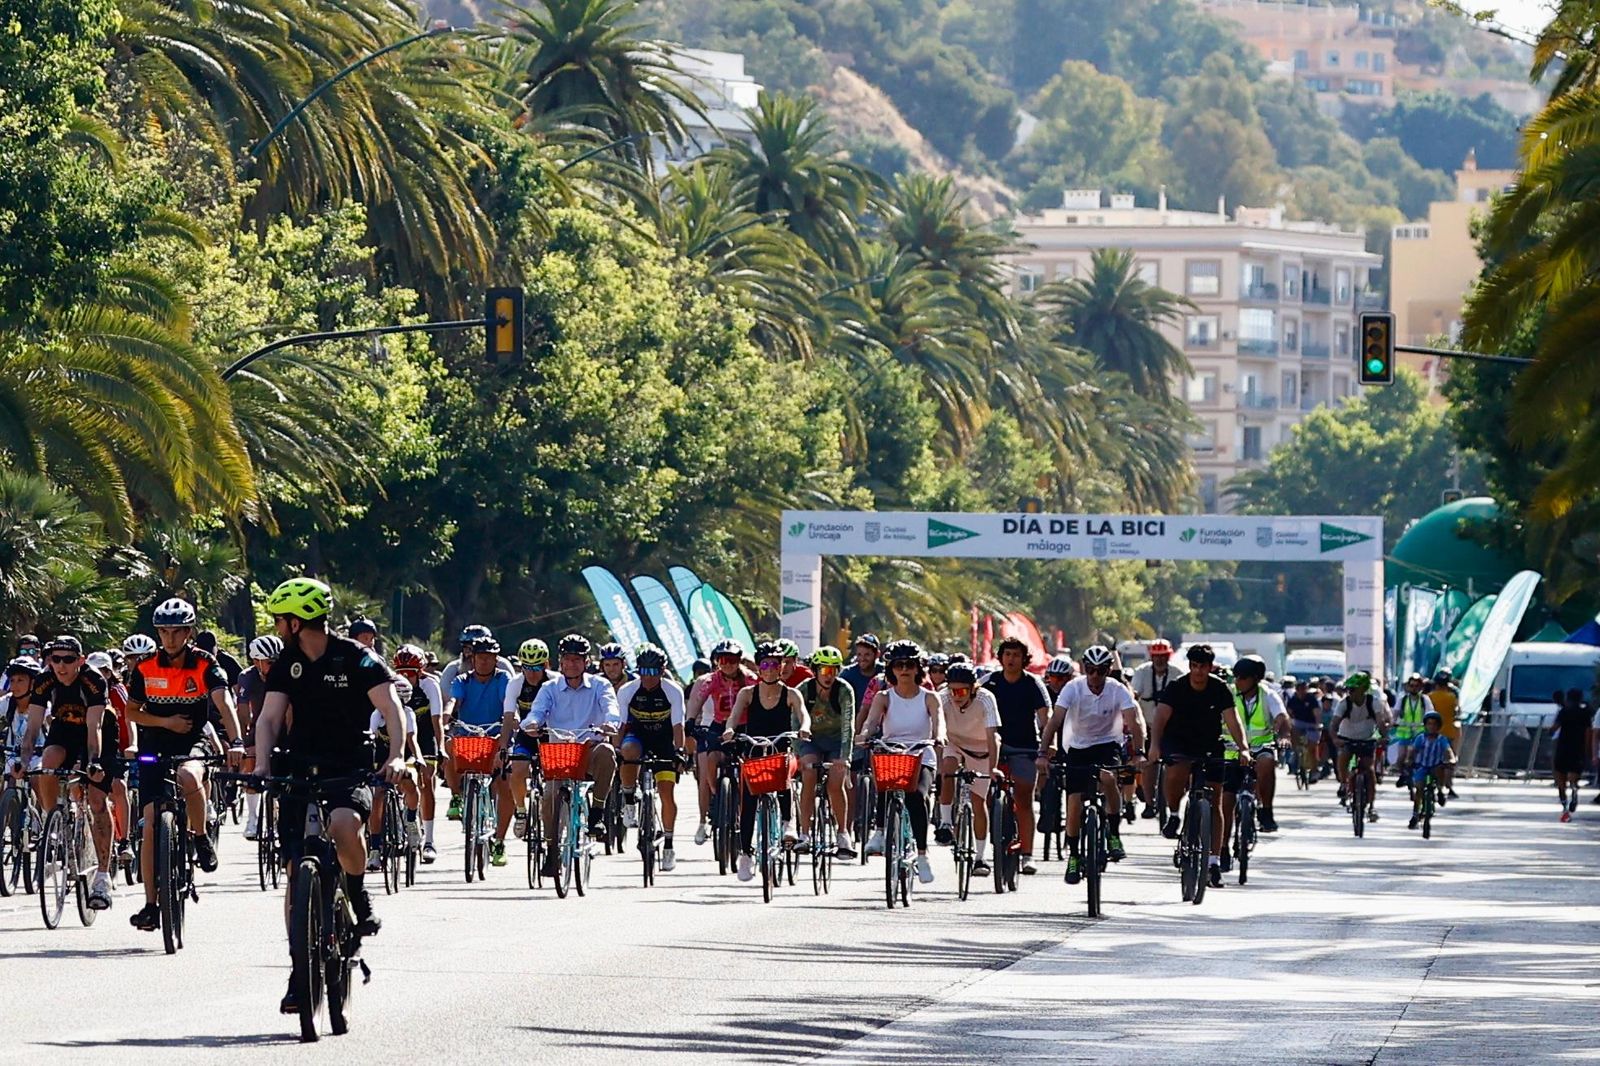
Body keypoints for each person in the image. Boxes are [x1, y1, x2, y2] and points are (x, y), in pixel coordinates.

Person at [252, 576, 408, 1016]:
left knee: (343, 827)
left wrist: (395, 757)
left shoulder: (356, 658)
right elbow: (268, 718)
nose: (277, 627)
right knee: (293, 868)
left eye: (281, 619)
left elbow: (391, 710)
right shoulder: (285, 661)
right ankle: (299, 971)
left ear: (298, 621)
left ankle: (356, 891)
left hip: (349, 765)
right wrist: (263, 764)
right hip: (300, 766)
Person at [119, 599, 247, 928]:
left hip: (194, 739)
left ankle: (201, 837)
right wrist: (165, 723)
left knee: (189, 775)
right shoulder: (145, 667)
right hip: (156, 743)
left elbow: (224, 701)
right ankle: (150, 904)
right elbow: (131, 712)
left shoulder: (205, 663)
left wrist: (236, 741)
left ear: (189, 632)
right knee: (149, 824)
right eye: (164, 632)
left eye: (177, 631)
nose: (170, 638)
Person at [17, 636, 118, 910]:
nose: (61, 665)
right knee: (46, 763)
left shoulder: (93, 680)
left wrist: (94, 762)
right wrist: (24, 760)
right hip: (65, 730)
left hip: (98, 735)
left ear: (80, 661)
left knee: (97, 800)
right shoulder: (44, 679)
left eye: (68, 660)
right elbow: (33, 727)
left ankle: (103, 875)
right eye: (55, 659)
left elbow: (95, 727)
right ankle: (55, 823)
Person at [1147, 643, 1251, 890]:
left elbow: (1232, 720)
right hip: (1179, 741)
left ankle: (1214, 862)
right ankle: (1173, 814)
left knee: (1215, 801)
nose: (1198, 672)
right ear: (1189, 666)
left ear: (1209, 667)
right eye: (1194, 666)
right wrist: (1154, 746)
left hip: (1209, 743)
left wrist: (1244, 748)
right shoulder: (1177, 687)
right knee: (1176, 771)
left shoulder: (1219, 688)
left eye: (1202, 667)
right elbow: (1160, 717)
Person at [1040, 645, 1142, 884]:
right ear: (1084, 669)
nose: (1095, 676)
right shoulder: (1072, 688)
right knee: (1074, 799)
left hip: (1107, 744)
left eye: (1101, 671)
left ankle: (1114, 834)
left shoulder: (1117, 690)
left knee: (1108, 778)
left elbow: (1134, 722)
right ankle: (1074, 855)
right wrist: (1043, 753)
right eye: (1091, 670)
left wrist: (1138, 753)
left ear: (1108, 670)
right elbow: (1055, 721)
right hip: (1077, 746)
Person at [524, 634, 621, 877]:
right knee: (549, 795)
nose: (572, 664)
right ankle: (552, 849)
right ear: (561, 662)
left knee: (608, 752)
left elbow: (611, 708)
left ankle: (597, 812)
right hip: (561, 754)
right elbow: (536, 712)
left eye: (578, 659)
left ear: (586, 662)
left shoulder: (600, 685)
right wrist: (533, 724)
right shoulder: (550, 688)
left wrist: (610, 723)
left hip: (589, 749)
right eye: (568, 659)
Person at [723, 640, 810, 882]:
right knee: (748, 800)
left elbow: (804, 716)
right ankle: (746, 854)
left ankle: (787, 822)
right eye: (765, 664)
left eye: (775, 664)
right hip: (755, 752)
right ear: (759, 668)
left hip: (781, 751)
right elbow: (733, 718)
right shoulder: (747, 693)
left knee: (785, 773)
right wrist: (730, 730)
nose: (770, 669)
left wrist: (804, 729)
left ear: (782, 666)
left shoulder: (791, 694)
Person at [854, 639, 937, 884]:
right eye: (898, 665)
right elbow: (871, 721)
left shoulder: (929, 697)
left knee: (917, 796)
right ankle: (879, 832)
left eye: (909, 665)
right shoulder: (884, 696)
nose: (904, 669)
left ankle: (922, 856)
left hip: (922, 754)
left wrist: (939, 736)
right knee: (884, 781)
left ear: (917, 668)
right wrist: (865, 734)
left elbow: (939, 722)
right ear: (891, 669)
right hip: (892, 752)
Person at [982, 636, 1052, 875]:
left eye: (1016, 655)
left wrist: (1047, 746)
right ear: (1000, 658)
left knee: (1024, 796)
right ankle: (993, 839)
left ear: (1024, 660)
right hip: (993, 748)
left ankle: (1027, 855)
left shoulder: (1033, 684)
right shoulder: (988, 682)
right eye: (1007, 654)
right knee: (987, 796)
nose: (1011, 659)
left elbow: (1045, 718)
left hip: (1025, 747)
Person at [615, 645, 686, 871]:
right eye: (643, 671)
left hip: (664, 740)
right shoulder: (628, 690)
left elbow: (678, 726)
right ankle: (628, 799)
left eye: (653, 672)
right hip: (638, 736)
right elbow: (621, 726)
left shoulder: (673, 691)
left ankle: (668, 845)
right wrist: (616, 749)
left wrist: (680, 752)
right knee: (628, 752)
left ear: (662, 671)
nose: (647, 677)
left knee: (666, 792)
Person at [446, 634, 515, 865]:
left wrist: (511, 721)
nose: (484, 662)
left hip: (496, 735)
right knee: (448, 746)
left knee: (503, 785)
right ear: (472, 659)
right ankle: (456, 797)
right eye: (480, 657)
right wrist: (447, 715)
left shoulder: (503, 678)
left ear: (496, 659)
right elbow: (453, 701)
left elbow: (508, 705)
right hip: (468, 735)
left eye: (489, 657)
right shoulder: (462, 680)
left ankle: (499, 841)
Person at [1223, 655, 1290, 869]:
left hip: (1261, 748)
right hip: (1231, 751)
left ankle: (1266, 811)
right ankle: (1222, 848)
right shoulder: (1229, 694)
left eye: (1242, 678)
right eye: (1236, 677)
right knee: (1225, 800)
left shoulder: (1268, 694)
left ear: (1255, 679)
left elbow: (1282, 718)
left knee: (1267, 763)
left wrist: (1284, 736)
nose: (1237, 682)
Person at [934, 661, 999, 874]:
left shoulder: (986, 699)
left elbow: (992, 737)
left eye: (961, 690)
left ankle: (980, 858)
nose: (956, 695)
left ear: (973, 688)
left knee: (979, 803)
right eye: (952, 690)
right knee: (948, 770)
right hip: (955, 743)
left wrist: (993, 769)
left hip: (981, 750)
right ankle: (945, 824)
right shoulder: (942, 697)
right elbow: (937, 728)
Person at [686, 638, 752, 845]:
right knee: (711, 759)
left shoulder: (750, 678)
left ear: (740, 660)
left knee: (747, 767)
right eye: (722, 659)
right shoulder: (712, 680)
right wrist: (690, 721)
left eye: (732, 659)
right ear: (716, 661)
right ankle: (717, 795)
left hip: (743, 726)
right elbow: (699, 699)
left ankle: (742, 803)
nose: (727, 664)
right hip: (719, 725)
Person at [796, 646, 857, 858]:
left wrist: (845, 758)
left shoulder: (844, 690)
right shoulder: (804, 689)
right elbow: (795, 721)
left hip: (836, 741)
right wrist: (798, 754)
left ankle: (843, 833)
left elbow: (848, 726)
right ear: (815, 670)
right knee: (809, 774)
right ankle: (804, 833)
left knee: (835, 782)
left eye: (833, 670)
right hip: (810, 740)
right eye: (824, 670)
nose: (829, 676)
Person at [391, 644, 443, 861]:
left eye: (410, 674)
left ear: (420, 672)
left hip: (424, 735)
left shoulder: (429, 685)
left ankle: (429, 840)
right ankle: (401, 823)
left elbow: (436, 719)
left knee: (426, 780)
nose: (405, 678)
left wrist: (440, 747)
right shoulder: (391, 685)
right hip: (401, 736)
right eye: (400, 673)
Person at [503, 638, 551, 846]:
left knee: (554, 778)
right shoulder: (516, 683)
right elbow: (507, 717)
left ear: (546, 665)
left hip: (550, 734)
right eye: (527, 667)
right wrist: (503, 746)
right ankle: (521, 811)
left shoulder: (554, 682)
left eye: (537, 667)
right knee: (518, 767)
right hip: (525, 733)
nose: (532, 673)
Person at [1330, 672, 1391, 823]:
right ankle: (1344, 784)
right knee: (1343, 757)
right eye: (1348, 689)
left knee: (1369, 771)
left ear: (1363, 689)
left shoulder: (1373, 702)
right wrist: (1335, 738)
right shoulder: (1344, 703)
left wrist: (1384, 736)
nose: (1349, 692)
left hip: (1366, 739)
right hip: (1346, 738)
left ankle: (1371, 806)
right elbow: (1334, 724)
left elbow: (1380, 722)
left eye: (1353, 689)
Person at [239, 634, 283, 841]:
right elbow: (242, 711)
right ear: (256, 662)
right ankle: (253, 818)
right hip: (257, 728)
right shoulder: (247, 677)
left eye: (276, 662)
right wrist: (242, 741)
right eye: (269, 663)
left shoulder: (287, 674)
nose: (273, 666)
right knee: (250, 762)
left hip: (284, 728)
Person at [1129, 638, 1177, 819]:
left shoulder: (1176, 673)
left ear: (1168, 656)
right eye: (1156, 656)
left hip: (1171, 727)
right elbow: (1134, 695)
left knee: (1175, 764)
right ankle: (1149, 803)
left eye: (1163, 656)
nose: (1159, 660)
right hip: (1148, 725)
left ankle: (1171, 802)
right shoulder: (1142, 672)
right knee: (1148, 764)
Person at [1400, 710, 1456, 829]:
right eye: (1429, 724)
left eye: (1434, 724)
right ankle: (1415, 814)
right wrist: (1409, 760)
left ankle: (1440, 790)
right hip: (1422, 766)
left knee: (1441, 771)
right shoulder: (1421, 738)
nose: (1432, 727)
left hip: (1436, 765)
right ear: (1425, 725)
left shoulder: (1441, 740)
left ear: (1439, 726)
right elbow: (1412, 750)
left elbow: (1448, 751)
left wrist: (1451, 760)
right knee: (1419, 789)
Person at [1552, 689, 1591, 820]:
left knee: (1560, 779)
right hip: (1578, 748)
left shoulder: (1564, 712)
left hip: (1563, 747)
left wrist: (1550, 732)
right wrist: (1587, 750)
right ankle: (1574, 788)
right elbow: (1588, 732)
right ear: (1580, 698)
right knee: (1574, 775)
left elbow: (1555, 727)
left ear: (1568, 698)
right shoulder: (1585, 713)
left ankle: (1564, 807)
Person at [1286, 677, 1324, 783]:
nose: (1301, 691)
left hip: (1311, 724)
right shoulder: (1293, 699)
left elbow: (1316, 713)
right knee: (1292, 730)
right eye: (1299, 689)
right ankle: (1295, 752)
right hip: (1298, 722)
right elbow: (1288, 713)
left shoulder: (1311, 699)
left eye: (1303, 689)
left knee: (1312, 747)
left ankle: (1314, 771)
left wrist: (1317, 724)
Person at [839, 634, 882, 716]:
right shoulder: (847, 675)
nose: (862, 659)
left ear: (877, 654)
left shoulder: (885, 673)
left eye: (867, 655)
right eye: (859, 654)